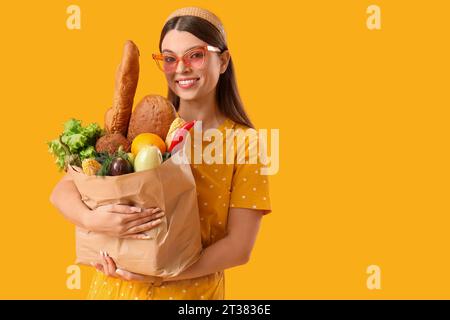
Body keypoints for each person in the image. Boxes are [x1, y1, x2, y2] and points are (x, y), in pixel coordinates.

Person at [50, 6, 271, 300]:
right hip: (115, 291)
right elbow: (62, 191)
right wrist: (92, 220)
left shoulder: (245, 143)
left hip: (192, 297)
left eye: (196, 55)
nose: (181, 68)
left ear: (223, 60)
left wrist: (161, 269)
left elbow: (239, 247)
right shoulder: (141, 127)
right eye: (169, 58)